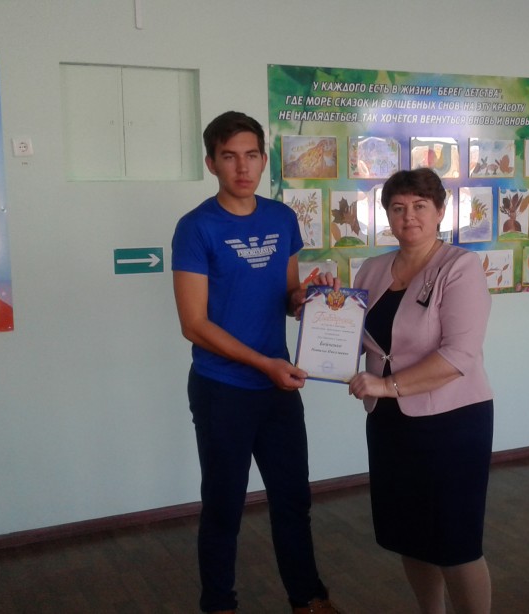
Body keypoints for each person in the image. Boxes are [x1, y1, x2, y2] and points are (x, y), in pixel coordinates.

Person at [171, 111, 340, 614]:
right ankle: (218, 604)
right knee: (224, 507)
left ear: (265, 160)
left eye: (251, 155)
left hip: (277, 386)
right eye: (229, 157)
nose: (242, 167)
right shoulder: (196, 228)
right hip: (222, 388)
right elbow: (193, 324)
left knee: (293, 501)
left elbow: (287, 296)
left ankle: (307, 598)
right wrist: (263, 363)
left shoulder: (281, 218)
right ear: (211, 163)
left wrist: (306, 299)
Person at [348, 168, 495, 614]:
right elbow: (354, 337)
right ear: (387, 215)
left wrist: (387, 385)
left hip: (452, 423)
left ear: (440, 212)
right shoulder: (372, 269)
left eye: (419, 206)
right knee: (409, 534)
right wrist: (320, 313)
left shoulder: (460, 267)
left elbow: (459, 355)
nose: (408, 216)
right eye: (397, 207)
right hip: (389, 421)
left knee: (455, 541)